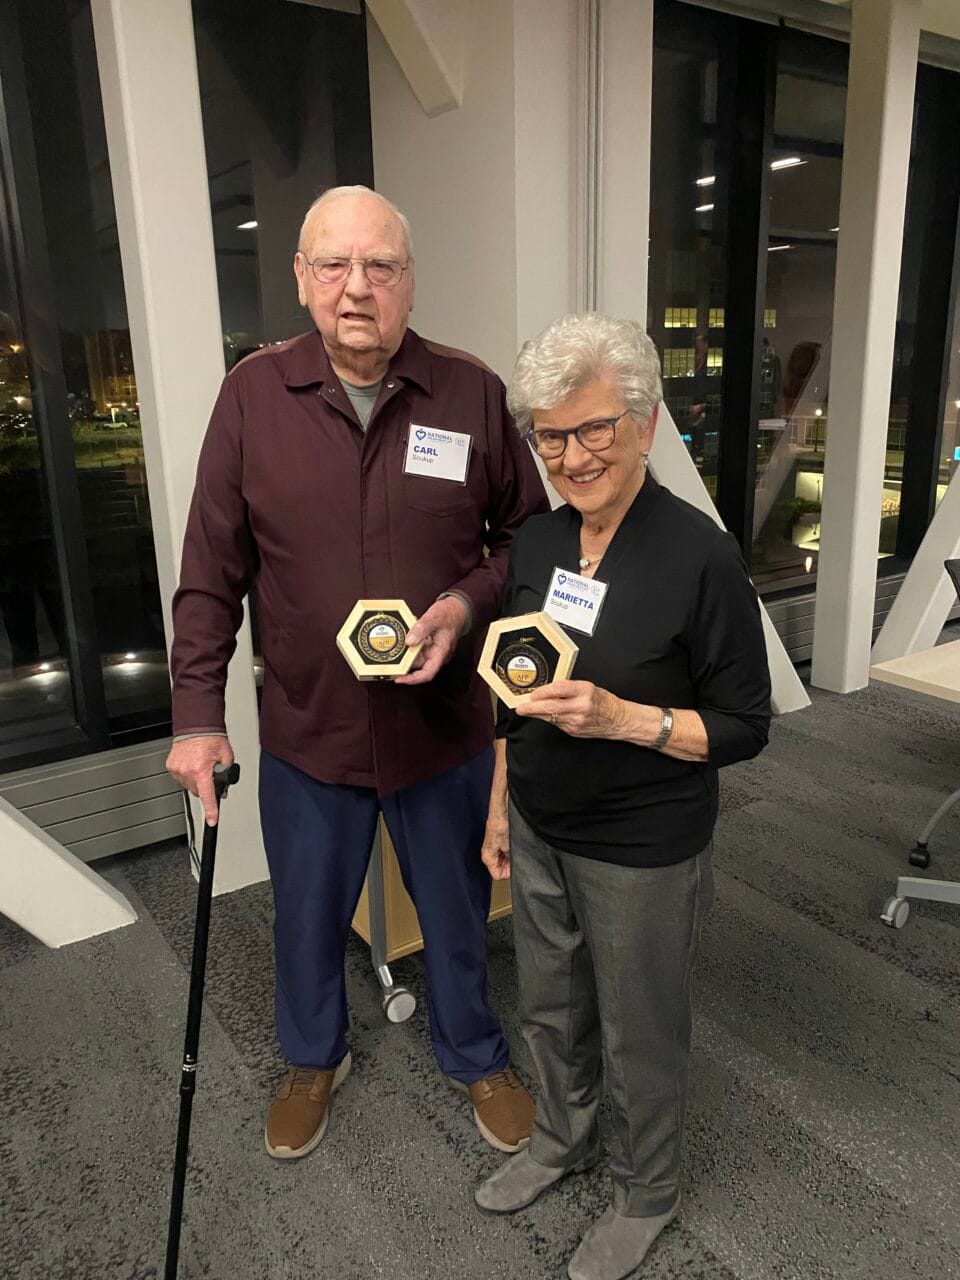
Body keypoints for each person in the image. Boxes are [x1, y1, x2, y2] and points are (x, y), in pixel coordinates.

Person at [165, 186, 547, 1161]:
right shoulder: (253, 395)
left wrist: (465, 605)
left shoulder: (469, 393)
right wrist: (197, 713)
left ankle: (474, 1052)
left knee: (456, 911)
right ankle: (312, 1056)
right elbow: (210, 571)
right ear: (301, 279)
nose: (357, 286)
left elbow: (530, 539)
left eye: (380, 264)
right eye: (332, 264)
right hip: (309, 731)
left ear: (409, 280)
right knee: (305, 915)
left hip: (441, 730)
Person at [475, 314, 771, 1280]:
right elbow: (517, 687)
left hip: (645, 840)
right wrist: (499, 804)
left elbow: (744, 725)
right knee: (552, 1006)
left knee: (641, 1027)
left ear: (645, 424)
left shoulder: (701, 557)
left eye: (594, 429)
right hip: (541, 816)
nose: (573, 455)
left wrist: (626, 719)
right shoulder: (539, 540)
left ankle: (649, 1191)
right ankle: (562, 1140)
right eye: (551, 436)